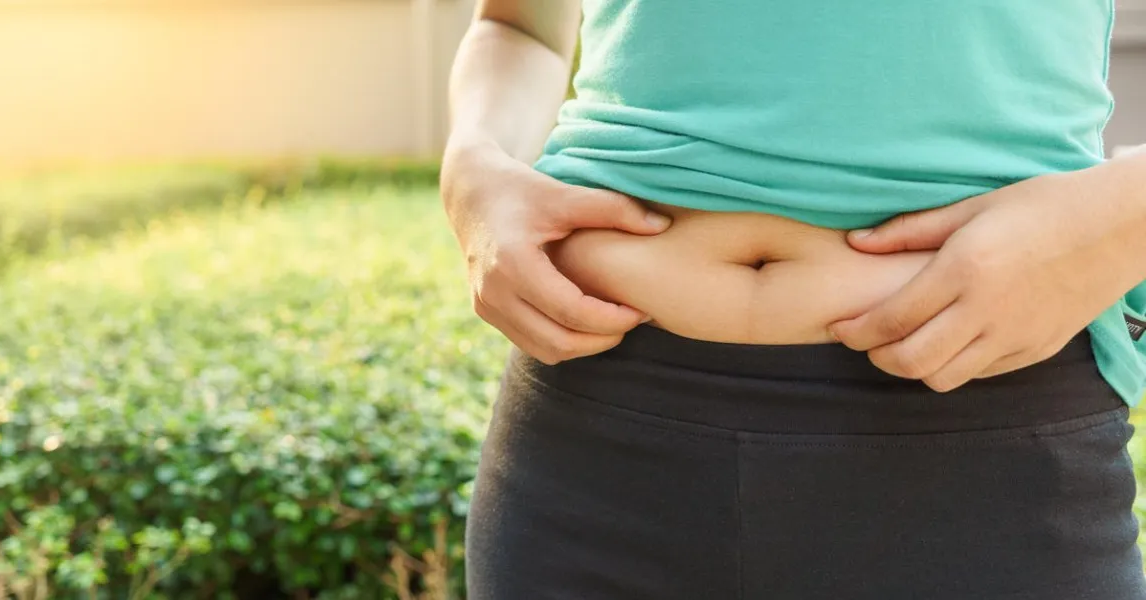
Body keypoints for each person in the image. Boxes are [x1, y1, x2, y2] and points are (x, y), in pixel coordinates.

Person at [441, 1, 1146, 598]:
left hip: (983, 433)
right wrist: (474, 166)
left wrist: (1125, 213)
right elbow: (518, 25)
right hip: (592, 439)